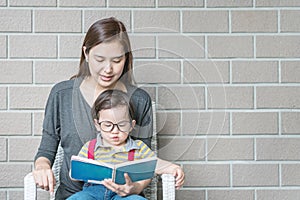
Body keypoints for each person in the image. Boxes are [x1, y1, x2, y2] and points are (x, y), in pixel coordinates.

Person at [33, 17, 154, 199]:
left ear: (126, 58)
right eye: (99, 59)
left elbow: (145, 165)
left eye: (117, 60)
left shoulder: (140, 100)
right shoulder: (62, 94)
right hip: (76, 194)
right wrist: (42, 167)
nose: (108, 69)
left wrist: (135, 188)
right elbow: (46, 151)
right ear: (86, 54)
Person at [67, 90, 184, 200]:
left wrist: (172, 167)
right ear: (97, 125)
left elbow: (154, 163)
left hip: (126, 193)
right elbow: (75, 172)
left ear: (131, 125)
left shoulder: (138, 147)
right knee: (79, 198)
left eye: (122, 125)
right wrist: (76, 171)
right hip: (93, 193)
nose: (115, 131)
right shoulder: (90, 147)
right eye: (108, 125)